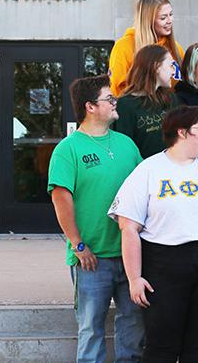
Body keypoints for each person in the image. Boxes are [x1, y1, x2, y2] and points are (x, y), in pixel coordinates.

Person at [109, 106, 198, 362]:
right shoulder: (149, 170)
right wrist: (134, 278)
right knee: (162, 345)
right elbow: (129, 227)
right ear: (182, 132)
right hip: (164, 265)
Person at [47, 75, 144, 363]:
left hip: (130, 255)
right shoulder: (69, 149)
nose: (116, 104)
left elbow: (143, 191)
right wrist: (77, 245)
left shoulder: (126, 144)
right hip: (91, 257)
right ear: (90, 106)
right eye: (110, 99)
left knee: (134, 327)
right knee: (91, 329)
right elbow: (61, 199)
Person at [109, 0, 185, 97]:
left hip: (171, 110)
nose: (169, 21)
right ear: (148, 21)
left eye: (171, 15)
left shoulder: (176, 48)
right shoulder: (124, 46)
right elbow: (118, 88)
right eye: (163, 18)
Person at [112, 44, 179, 158]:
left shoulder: (170, 99)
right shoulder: (124, 105)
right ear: (156, 66)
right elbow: (124, 151)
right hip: (142, 172)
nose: (174, 72)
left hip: (173, 171)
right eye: (171, 65)